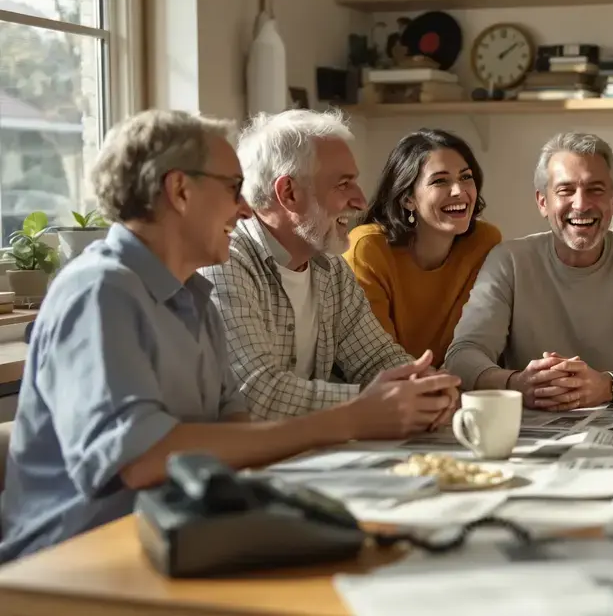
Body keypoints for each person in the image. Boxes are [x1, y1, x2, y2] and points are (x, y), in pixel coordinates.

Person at [0, 110, 458, 562]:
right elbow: (140, 460)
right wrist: (352, 419)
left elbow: (237, 430)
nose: (244, 208)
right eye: (232, 189)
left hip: (177, 537)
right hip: (72, 560)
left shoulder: (193, 295)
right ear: (180, 190)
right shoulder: (100, 291)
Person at [199, 109, 459, 422]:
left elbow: (376, 359)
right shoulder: (224, 259)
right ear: (288, 193)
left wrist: (423, 386)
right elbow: (255, 394)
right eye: (343, 184)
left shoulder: (330, 267)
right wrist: (373, 402)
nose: (361, 201)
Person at [444, 131, 613, 411]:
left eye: (595, 189)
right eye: (565, 190)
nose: (581, 204)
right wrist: (515, 383)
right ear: (543, 202)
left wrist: (611, 385)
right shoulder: (508, 261)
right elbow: (461, 356)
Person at [343, 129, 501, 368]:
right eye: (440, 181)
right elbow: (375, 361)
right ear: (408, 199)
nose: (459, 191)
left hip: (460, 383)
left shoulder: (484, 241)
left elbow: (485, 338)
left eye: (466, 177)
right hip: (385, 389)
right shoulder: (367, 248)